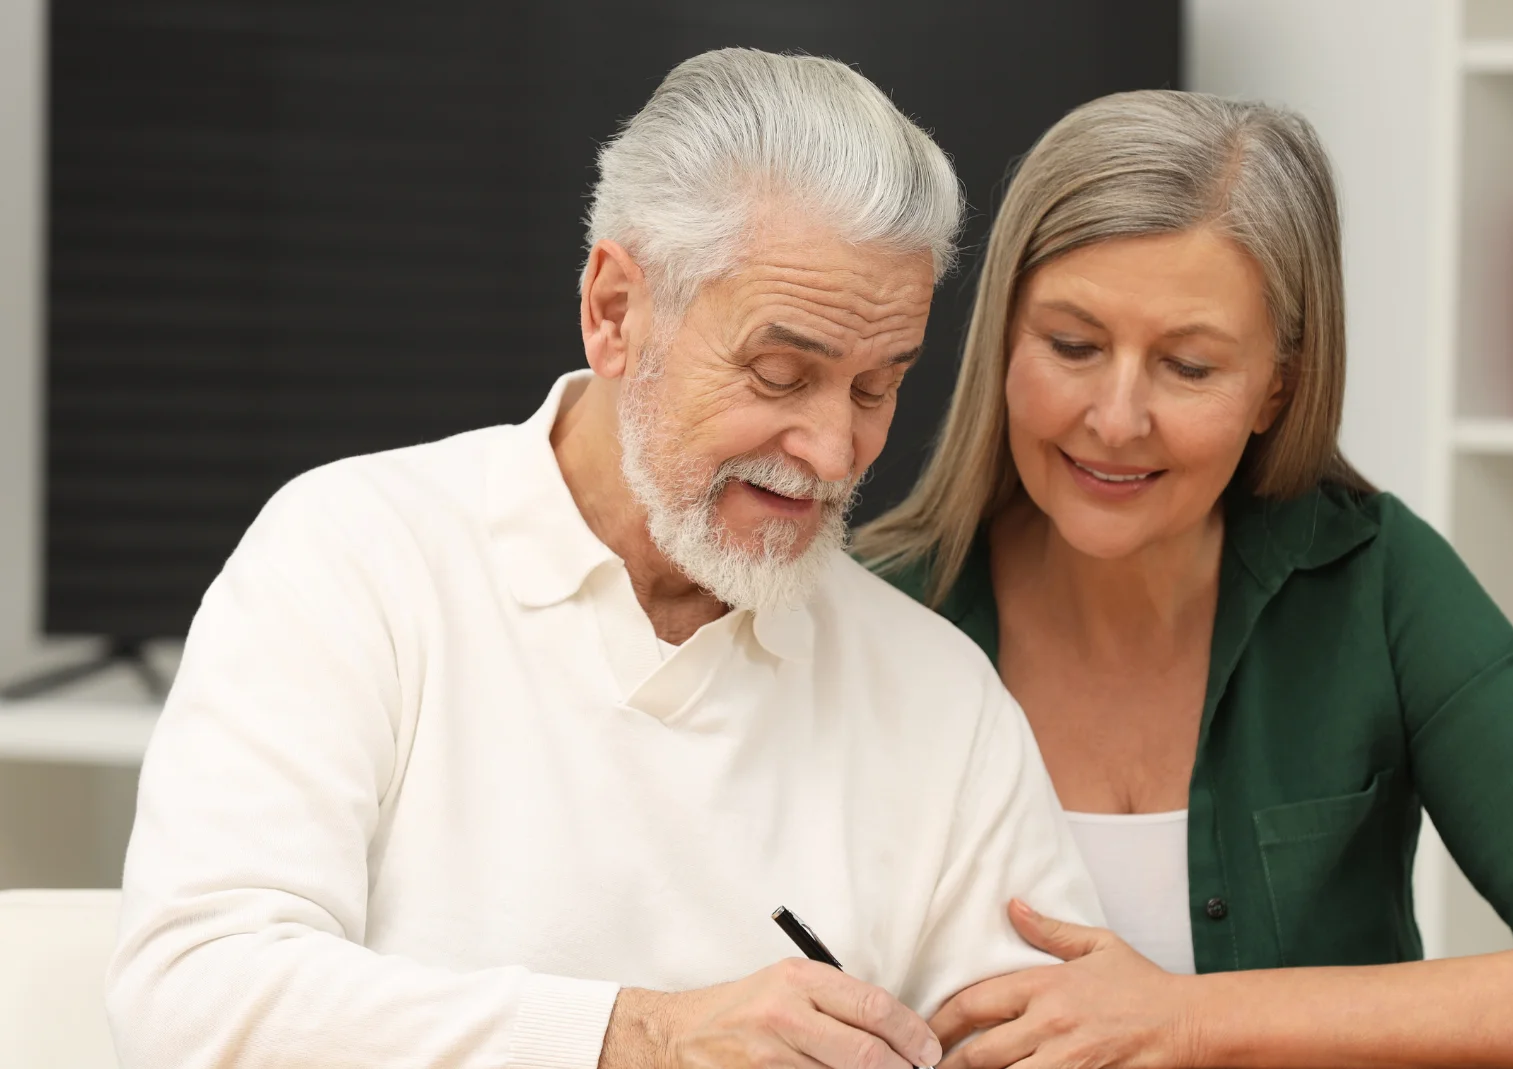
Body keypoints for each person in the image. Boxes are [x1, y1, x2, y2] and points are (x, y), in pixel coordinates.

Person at [106, 48, 1102, 1069]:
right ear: (616, 311)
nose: (835, 451)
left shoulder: (935, 693)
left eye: (875, 388)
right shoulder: (352, 557)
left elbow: (1055, 1040)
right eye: (779, 372)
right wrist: (639, 1036)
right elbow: (196, 994)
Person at [857, 90, 1513, 1069]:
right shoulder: (863, 614)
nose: (1114, 418)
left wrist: (1186, 1022)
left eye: (1187, 367)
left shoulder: (1378, 582)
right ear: (1002, 338)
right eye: (1071, 345)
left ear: (1277, 384)